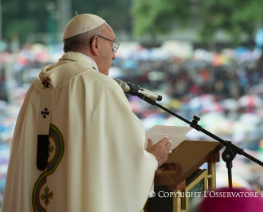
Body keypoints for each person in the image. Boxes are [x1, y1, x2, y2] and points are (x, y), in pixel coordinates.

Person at [2, 13, 172, 212]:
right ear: (96, 44)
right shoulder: (101, 87)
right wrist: (151, 160)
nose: (114, 55)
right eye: (112, 45)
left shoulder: (39, 87)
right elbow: (124, 165)